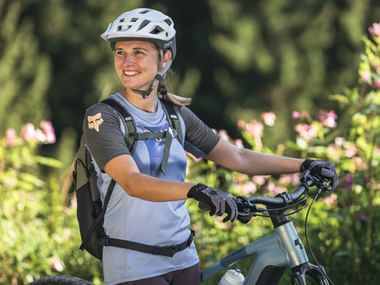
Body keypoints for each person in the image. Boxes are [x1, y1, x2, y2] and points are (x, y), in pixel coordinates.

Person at [83, 7, 338, 285]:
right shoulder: (103, 117)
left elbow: (237, 156)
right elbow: (132, 182)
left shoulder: (174, 114)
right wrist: (196, 189)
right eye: (120, 52)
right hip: (133, 262)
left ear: (165, 58)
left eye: (138, 52)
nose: (126, 61)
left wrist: (303, 165)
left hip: (183, 258)